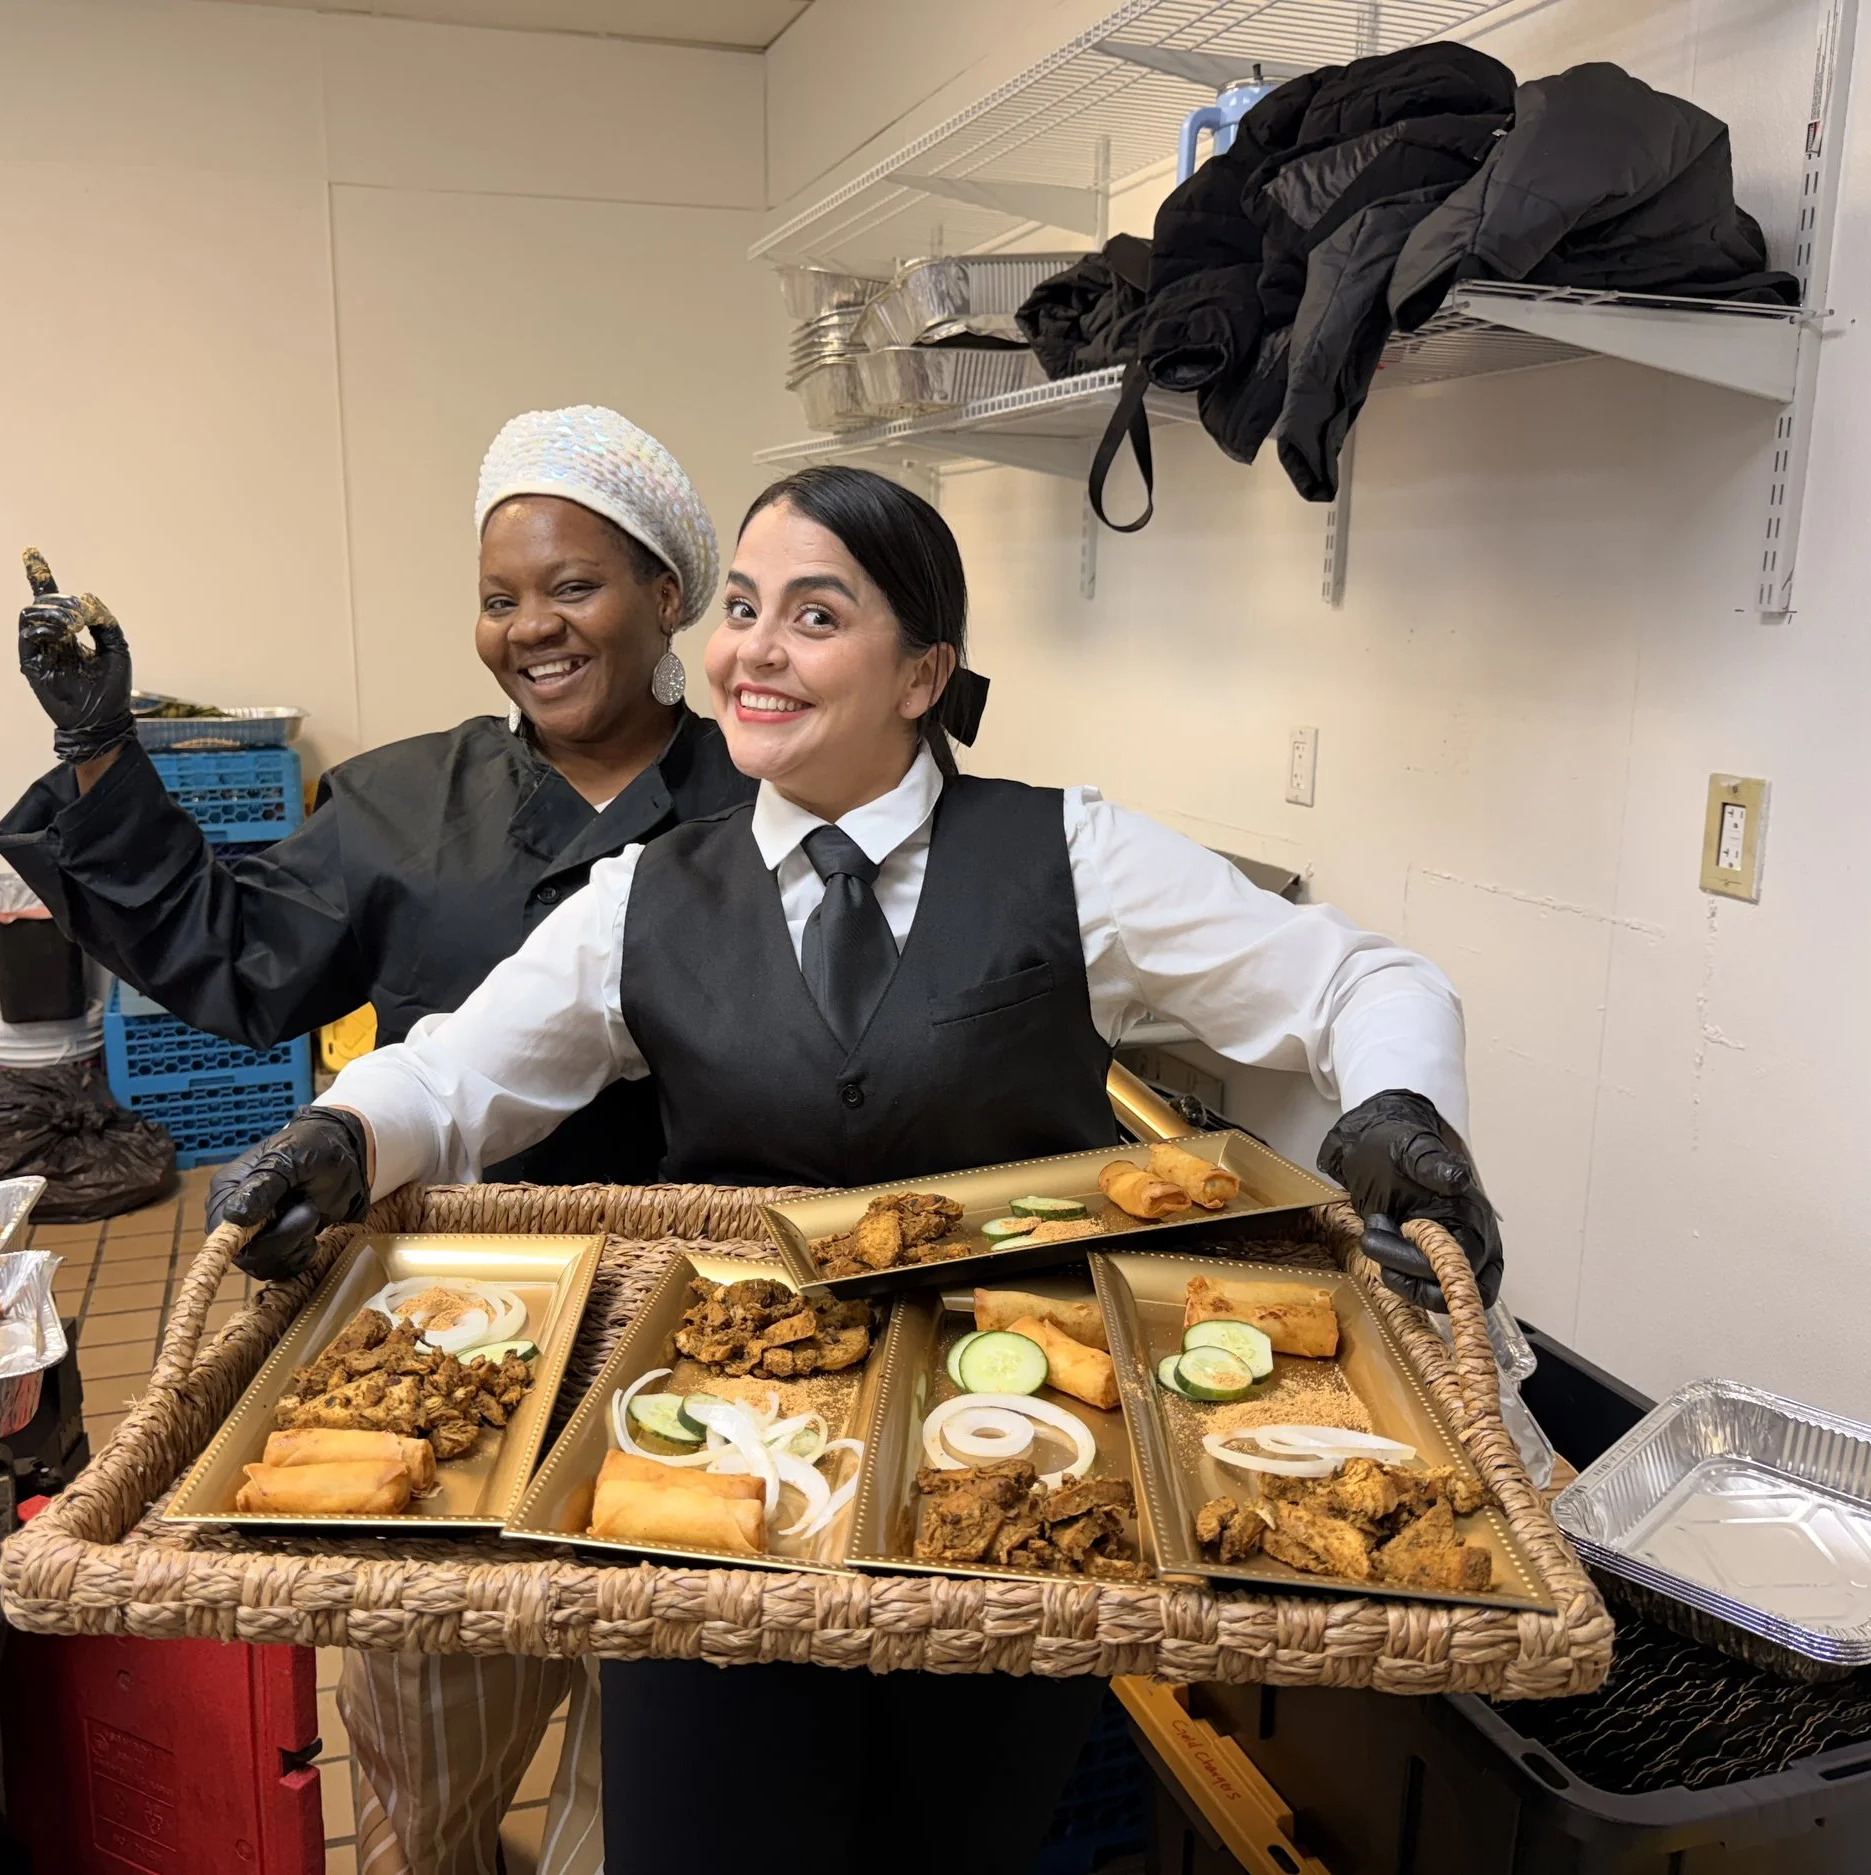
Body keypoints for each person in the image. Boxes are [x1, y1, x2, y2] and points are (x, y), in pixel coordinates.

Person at [214, 463, 1504, 1874]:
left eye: (815, 615)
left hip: (1013, 1492)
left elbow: (1363, 980)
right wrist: (342, 1134)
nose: (753, 650)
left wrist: (1401, 1116)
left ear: (923, 673)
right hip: (722, 1479)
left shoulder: (1067, 856)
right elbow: (460, 1071)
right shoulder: (646, 895)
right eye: (747, 608)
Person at [0, 406, 758, 1875]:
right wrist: (100, 754)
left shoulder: (765, 801)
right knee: (428, 1772)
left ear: (669, 591)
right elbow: (237, 956)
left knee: (661, 1779)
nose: (531, 625)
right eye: (499, 596)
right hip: (452, 1337)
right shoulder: (406, 802)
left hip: (697, 1335)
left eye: (576, 586)